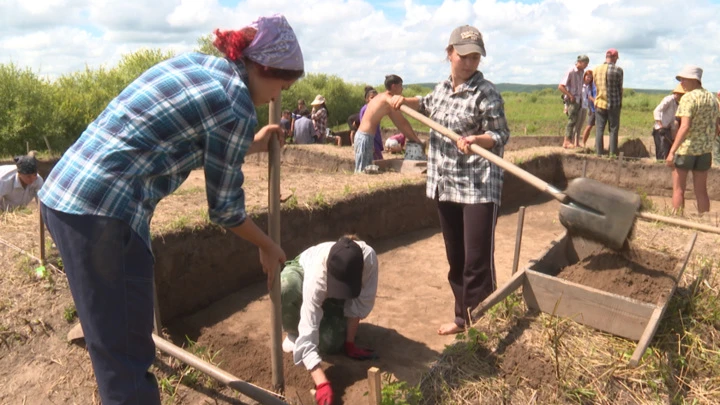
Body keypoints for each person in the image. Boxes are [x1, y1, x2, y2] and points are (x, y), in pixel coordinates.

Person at [37, 14, 302, 405]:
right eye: (284, 82)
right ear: (264, 68)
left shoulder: (200, 66)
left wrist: (254, 141)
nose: (281, 93)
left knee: (112, 343)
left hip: (66, 195)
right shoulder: (236, 105)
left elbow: (191, 137)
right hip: (105, 217)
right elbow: (225, 209)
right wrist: (266, 245)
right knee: (126, 364)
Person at [390, 25, 510, 335]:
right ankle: (463, 317)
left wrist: (477, 139)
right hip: (446, 183)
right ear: (449, 54)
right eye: (464, 56)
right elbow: (428, 104)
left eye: (475, 58)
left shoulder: (486, 92)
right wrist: (403, 101)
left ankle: (482, 324)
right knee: (456, 257)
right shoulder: (442, 88)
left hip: (479, 185)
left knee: (476, 260)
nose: (469, 63)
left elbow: (500, 134)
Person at [281, 235, 379, 405]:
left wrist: (349, 344)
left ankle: (333, 325)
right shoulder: (317, 277)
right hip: (302, 273)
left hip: (331, 285)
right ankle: (293, 333)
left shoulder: (369, 260)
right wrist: (321, 382)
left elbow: (359, 302)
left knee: (332, 344)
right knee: (286, 286)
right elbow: (309, 320)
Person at [666, 65, 720, 216]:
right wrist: (708, 141)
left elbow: (684, 127)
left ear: (694, 80)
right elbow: (717, 127)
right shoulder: (712, 98)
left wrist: (672, 151)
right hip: (704, 152)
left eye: (684, 79)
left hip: (686, 150)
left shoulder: (688, 98)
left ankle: (677, 220)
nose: (681, 82)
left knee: (678, 189)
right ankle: (704, 220)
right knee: (702, 191)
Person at [355, 75, 422, 173]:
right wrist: (417, 140)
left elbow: (400, 121)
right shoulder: (387, 100)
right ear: (394, 86)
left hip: (363, 137)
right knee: (362, 172)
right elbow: (402, 123)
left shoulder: (382, 97)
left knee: (364, 170)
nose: (402, 88)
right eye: (401, 85)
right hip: (365, 138)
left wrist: (415, 139)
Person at [593, 48, 624, 156]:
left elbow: (595, 86)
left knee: (599, 129)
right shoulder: (618, 70)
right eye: (616, 58)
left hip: (600, 103)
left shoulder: (596, 70)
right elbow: (620, 88)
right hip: (614, 104)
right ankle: (612, 154)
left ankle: (599, 153)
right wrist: (620, 102)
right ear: (614, 57)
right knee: (613, 129)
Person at [558, 55, 589, 148]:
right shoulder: (571, 71)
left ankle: (570, 141)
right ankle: (566, 141)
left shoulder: (581, 72)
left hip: (579, 100)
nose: (586, 65)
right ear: (579, 62)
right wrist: (570, 95)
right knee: (571, 120)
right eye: (585, 63)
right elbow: (561, 86)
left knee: (575, 121)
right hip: (572, 100)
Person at [652, 84, 685, 161]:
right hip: (660, 130)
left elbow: (673, 122)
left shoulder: (678, 105)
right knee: (661, 151)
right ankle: (659, 166)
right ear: (676, 93)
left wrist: (674, 138)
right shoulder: (668, 99)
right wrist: (660, 126)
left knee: (668, 151)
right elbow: (657, 110)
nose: (681, 96)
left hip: (668, 130)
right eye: (680, 94)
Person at [358, 86, 383, 160]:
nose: (374, 100)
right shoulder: (366, 109)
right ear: (367, 99)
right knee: (377, 160)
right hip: (370, 139)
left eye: (376, 98)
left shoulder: (374, 109)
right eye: (372, 97)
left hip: (374, 138)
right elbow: (365, 127)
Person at [580, 70, 597, 148]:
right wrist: (595, 102)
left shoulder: (596, 85)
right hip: (594, 109)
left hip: (601, 109)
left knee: (599, 128)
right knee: (589, 126)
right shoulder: (591, 86)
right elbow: (589, 96)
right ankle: (583, 143)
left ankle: (597, 145)